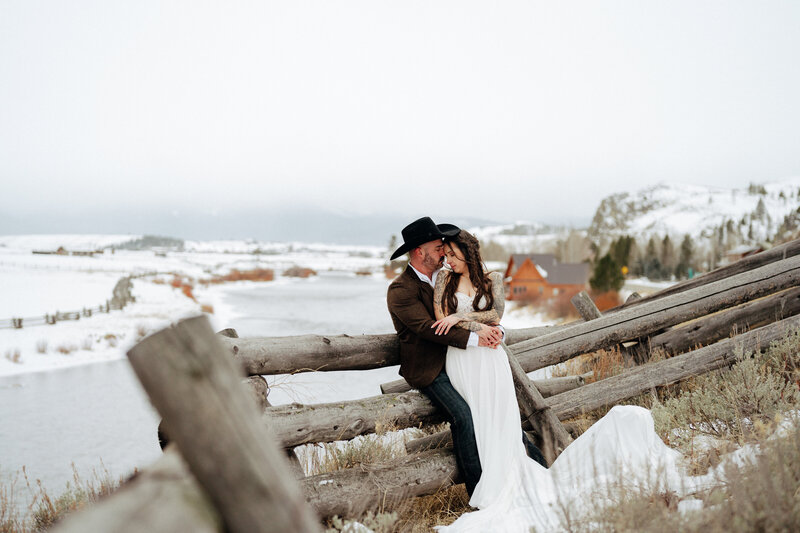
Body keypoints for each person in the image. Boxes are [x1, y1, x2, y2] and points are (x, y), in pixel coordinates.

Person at [430, 230, 702, 532]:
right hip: (464, 359)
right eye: (447, 254)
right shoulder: (444, 279)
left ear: (469, 254)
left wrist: (474, 325)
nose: (448, 259)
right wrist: (468, 325)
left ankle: (503, 478)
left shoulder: (493, 278)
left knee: (499, 418)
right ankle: (485, 482)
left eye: (454, 254)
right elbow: (441, 316)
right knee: (478, 419)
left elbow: (497, 313)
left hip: (492, 357)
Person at [386, 217, 544, 498]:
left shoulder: (449, 275)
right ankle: (478, 491)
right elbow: (428, 328)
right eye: (437, 248)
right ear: (419, 251)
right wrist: (478, 336)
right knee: (465, 417)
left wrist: (495, 331)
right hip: (431, 369)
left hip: (467, 359)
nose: (443, 253)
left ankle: (539, 471)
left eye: (445, 249)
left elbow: (487, 310)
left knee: (496, 412)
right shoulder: (400, 290)